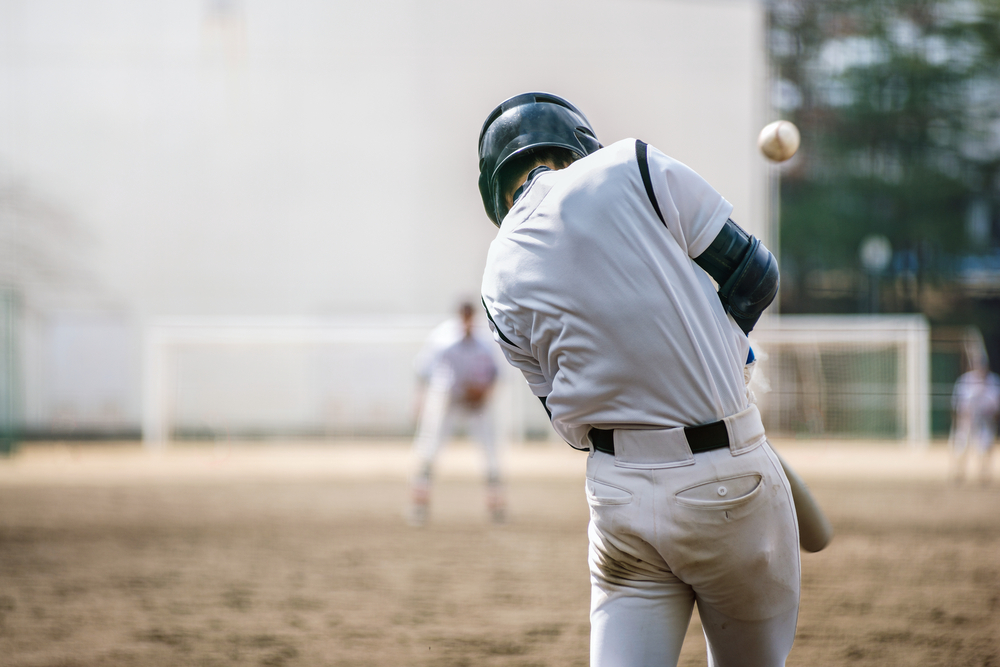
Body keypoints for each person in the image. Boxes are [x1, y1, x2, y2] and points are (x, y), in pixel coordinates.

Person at [477, 93, 799, 666]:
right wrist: (727, 356)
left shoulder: (496, 275)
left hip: (619, 498)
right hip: (731, 483)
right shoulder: (634, 164)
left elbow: (572, 425)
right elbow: (757, 275)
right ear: (577, 143)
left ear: (495, 191)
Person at [408, 301, 504, 526]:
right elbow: (422, 371)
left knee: (490, 450)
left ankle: (496, 505)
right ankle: (419, 504)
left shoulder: (484, 341)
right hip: (446, 400)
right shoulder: (442, 338)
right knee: (429, 448)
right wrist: (419, 400)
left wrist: (483, 393)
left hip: (475, 404)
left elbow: (495, 374)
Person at [950, 356, 1000, 484]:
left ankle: (984, 474)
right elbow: (958, 405)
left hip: (986, 421)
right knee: (961, 446)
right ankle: (958, 473)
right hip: (967, 420)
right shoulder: (965, 380)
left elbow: (996, 406)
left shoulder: (993, 381)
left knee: (984, 446)